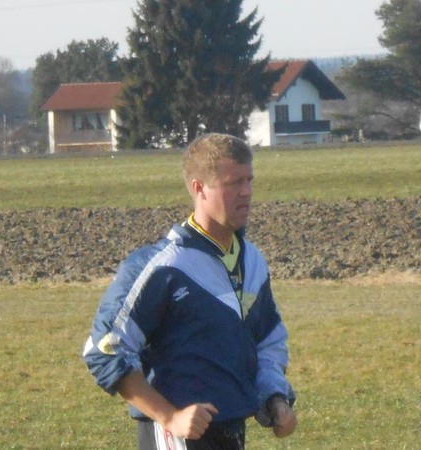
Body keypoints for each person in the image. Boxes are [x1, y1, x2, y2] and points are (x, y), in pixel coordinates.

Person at [83, 133, 297, 449]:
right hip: (177, 438)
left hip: (232, 431)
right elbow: (104, 348)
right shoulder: (163, 266)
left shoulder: (251, 262)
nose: (246, 192)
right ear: (199, 188)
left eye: (249, 180)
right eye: (233, 183)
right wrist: (170, 416)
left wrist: (275, 397)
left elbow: (267, 341)